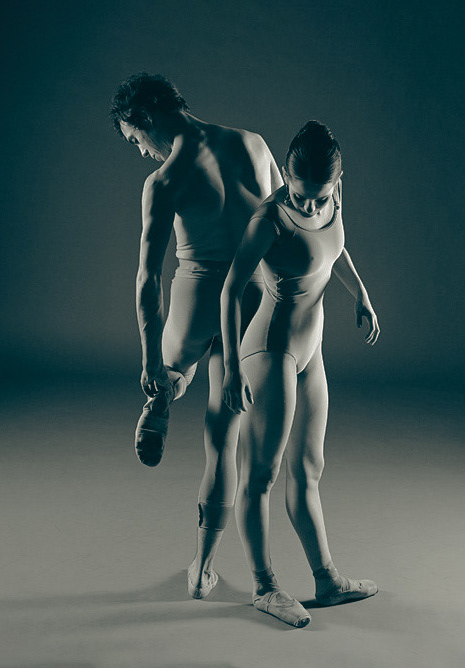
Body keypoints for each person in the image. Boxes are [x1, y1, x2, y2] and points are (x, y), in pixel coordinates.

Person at [110, 73, 282, 598]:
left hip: (198, 293)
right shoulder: (253, 144)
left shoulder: (165, 180)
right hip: (252, 296)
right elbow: (289, 222)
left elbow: (147, 278)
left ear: (145, 117)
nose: (142, 152)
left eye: (135, 140)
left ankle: (164, 391)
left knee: (173, 363)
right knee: (222, 439)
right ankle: (204, 569)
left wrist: (148, 360)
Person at [221, 121, 380, 627]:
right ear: (286, 178)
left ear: (337, 184)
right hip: (271, 352)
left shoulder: (332, 200)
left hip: (311, 350)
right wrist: (231, 369)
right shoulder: (269, 221)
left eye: (320, 197)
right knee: (261, 475)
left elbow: (334, 250)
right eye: (298, 195)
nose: (309, 208)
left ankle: (327, 580)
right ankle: (264, 586)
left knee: (309, 469)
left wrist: (361, 295)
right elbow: (230, 291)